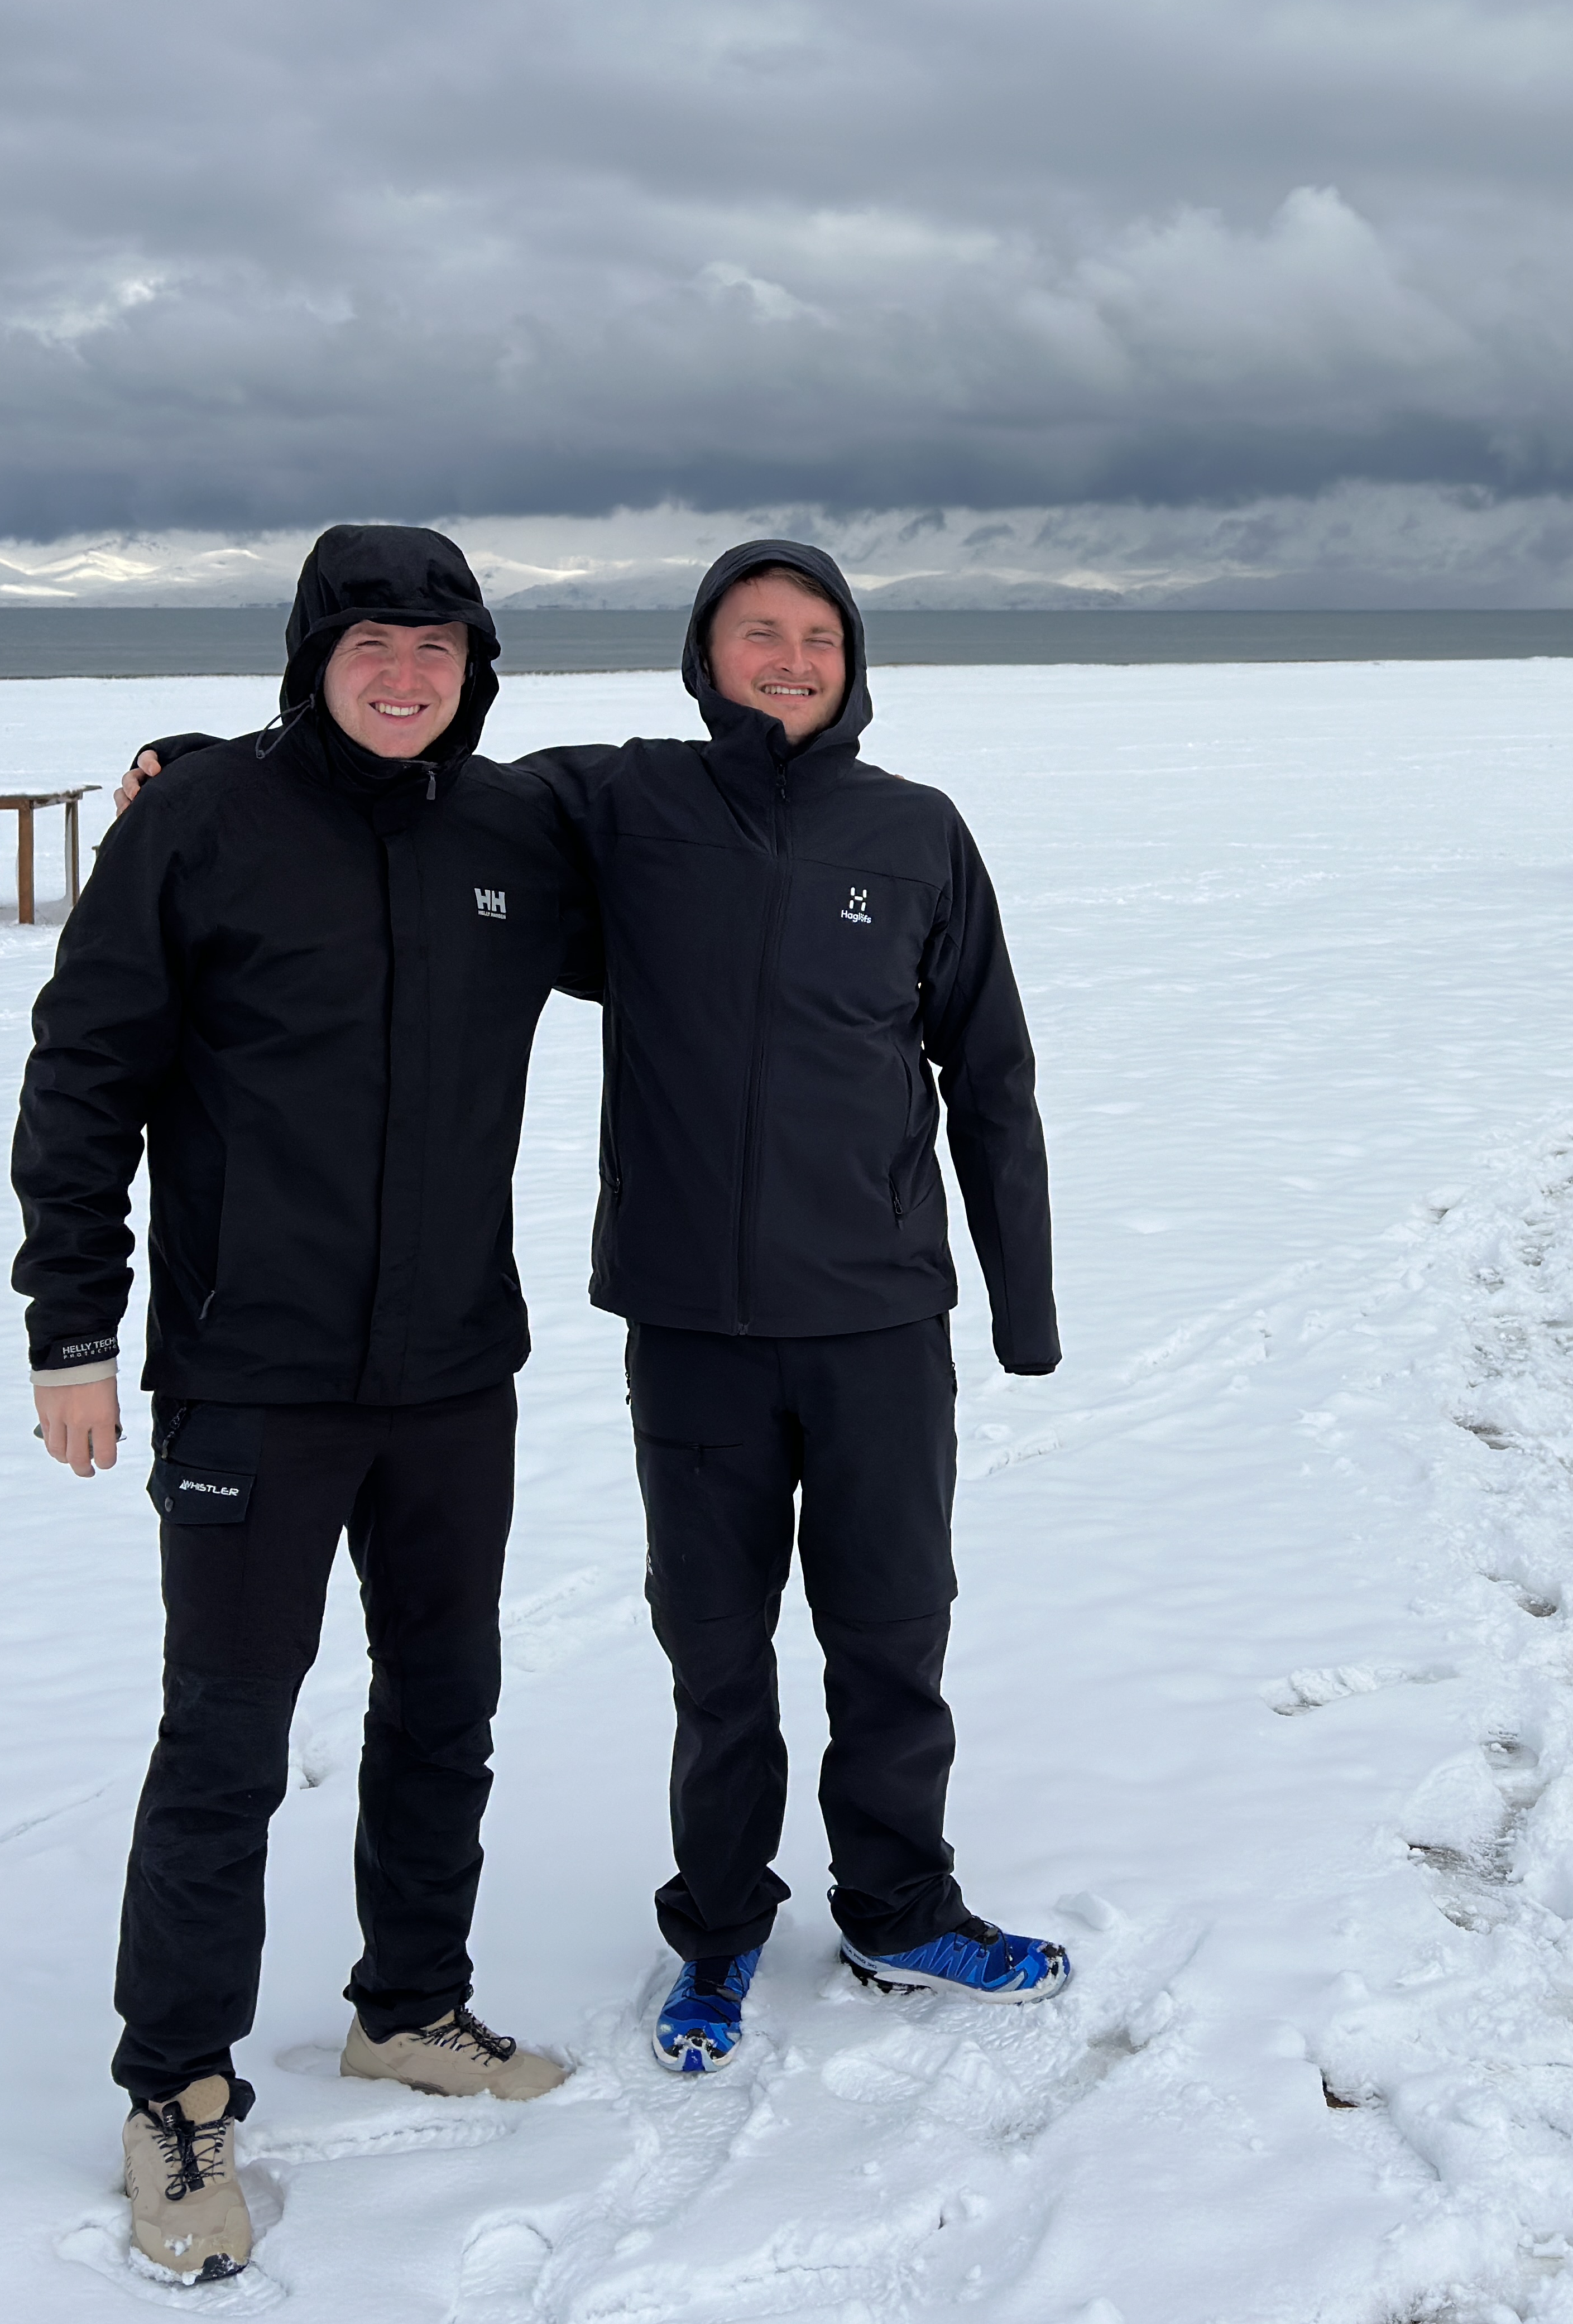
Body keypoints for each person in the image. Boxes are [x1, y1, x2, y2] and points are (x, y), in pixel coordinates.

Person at [121, 537, 1068, 2081]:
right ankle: (717, 1929)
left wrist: (1019, 1299)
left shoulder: (915, 834)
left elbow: (993, 1075)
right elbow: (408, 769)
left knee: (893, 1632)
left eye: (815, 635)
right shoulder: (624, 805)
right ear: (705, 659)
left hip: (879, 1316)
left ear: (854, 662)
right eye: (754, 633)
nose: (787, 658)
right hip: (689, 1321)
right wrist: (217, 765)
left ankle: (902, 1903)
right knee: (715, 1651)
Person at [15, 525, 594, 2287]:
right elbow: (85, 1070)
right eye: (371, 648)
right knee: (226, 1740)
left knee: (447, 1704)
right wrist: (71, 1328)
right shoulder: (199, 825)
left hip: (451, 1374)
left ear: (475, 667)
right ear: (311, 659)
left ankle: (409, 2002)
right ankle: (177, 2088)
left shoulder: (512, 834)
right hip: (250, 1377)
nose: (404, 677)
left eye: (436, 649)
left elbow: (694, 890)